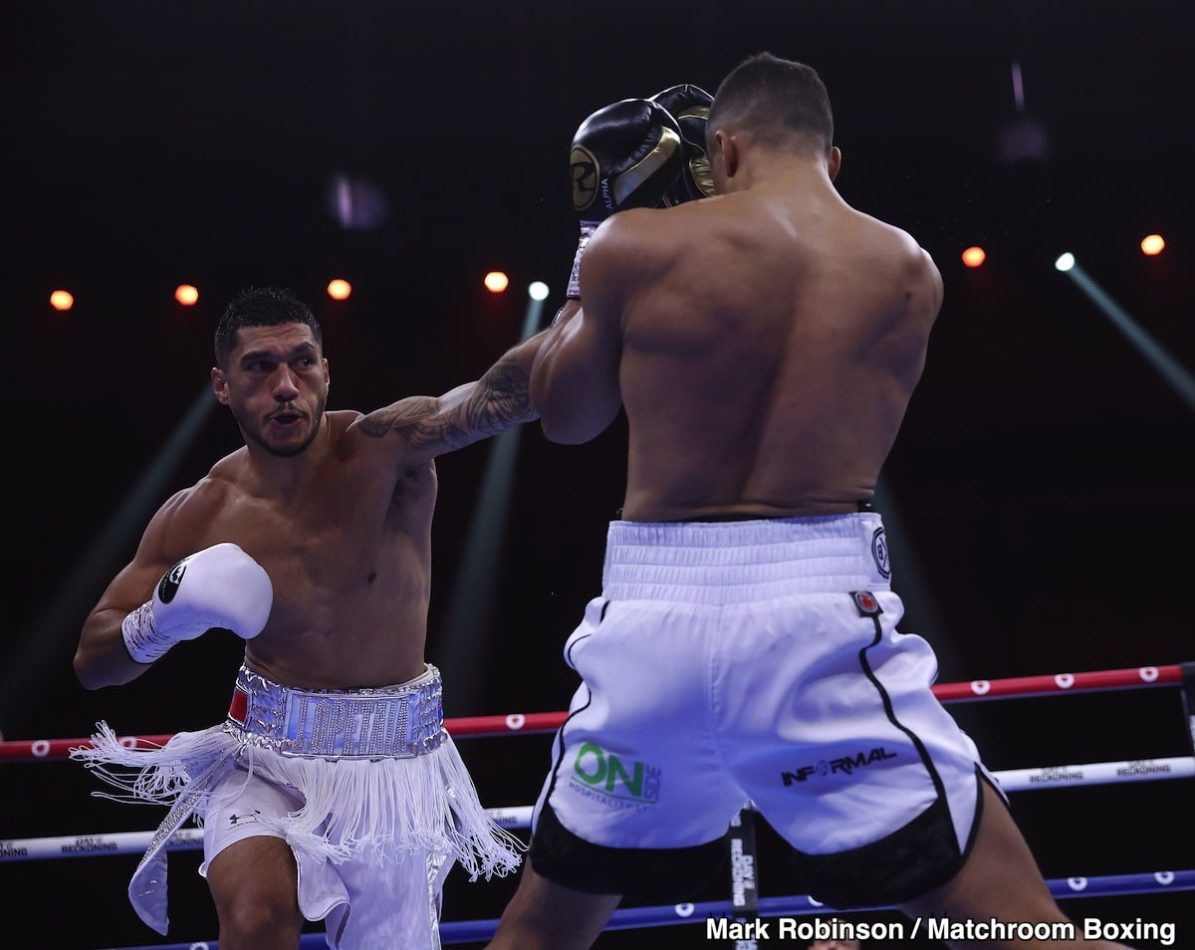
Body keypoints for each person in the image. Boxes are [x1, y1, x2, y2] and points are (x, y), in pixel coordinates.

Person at [486, 55, 1131, 949]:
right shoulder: (907, 268)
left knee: (540, 930)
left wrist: (594, 240)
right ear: (831, 159)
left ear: (722, 150)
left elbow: (566, 417)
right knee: (1024, 929)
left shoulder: (634, 247)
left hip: (649, 624)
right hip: (818, 618)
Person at [72, 286, 544, 949]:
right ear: (222, 385)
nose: (286, 386)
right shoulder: (203, 511)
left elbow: (494, 397)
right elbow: (92, 663)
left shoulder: (386, 449)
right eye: (260, 367)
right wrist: (162, 617)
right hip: (262, 759)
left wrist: (592, 320)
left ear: (326, 370)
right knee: (256, 920)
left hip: (392, 767)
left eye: (302, 362)